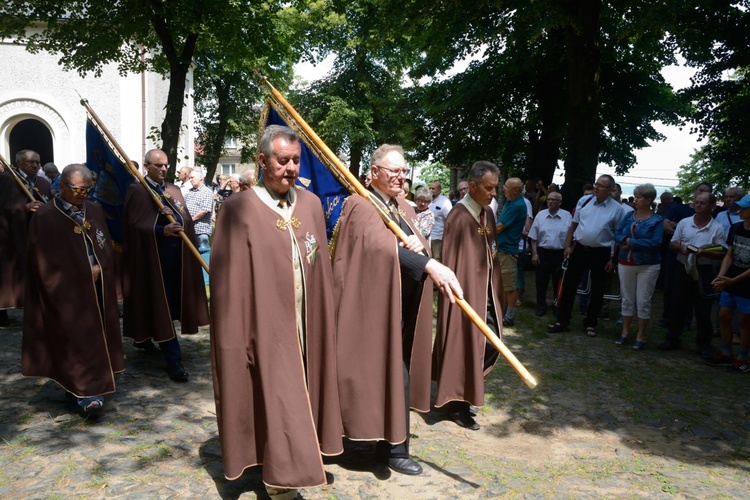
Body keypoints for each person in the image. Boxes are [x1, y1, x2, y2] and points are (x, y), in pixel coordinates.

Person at [210, 125, 343, 497]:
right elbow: (227, 283)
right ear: (263, 161)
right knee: (276, 395)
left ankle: (299, 457)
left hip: (307, 325)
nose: (290, 168)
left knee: (300, 392)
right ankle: (283, 481)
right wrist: (236, 337)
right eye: (282, 161)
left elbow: (320, 267)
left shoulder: (312, 205)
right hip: (266, 328)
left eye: (296, 161)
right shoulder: (240, 209)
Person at [332, 143, 463, 476]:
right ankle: (382, 445)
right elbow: (375, 247)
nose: (401, 177)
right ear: (375, 172)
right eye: (394, 171)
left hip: (398, 303)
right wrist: (428, 264)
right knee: (374, 373)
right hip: (368, 306)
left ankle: (392, 445)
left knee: (398, 371)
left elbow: (409, 242)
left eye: (404, 171)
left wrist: (418, 247)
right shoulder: (360, 204)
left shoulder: (400, 207)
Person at [22, 164, 124, 415]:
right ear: (63, 186)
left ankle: (91, 386)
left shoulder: (94, 209)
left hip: (98, 289)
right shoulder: (45, 216)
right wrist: (77, 275)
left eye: (88, 189)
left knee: (95, 337)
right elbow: (41, 261)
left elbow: (104, 244)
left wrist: (101, 266)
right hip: (65, 294)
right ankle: (85, 392)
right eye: (79, 189)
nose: (84, 194)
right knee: (74, 339)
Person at [122, 149, 209, 382]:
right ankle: (173, 359)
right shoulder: (137, 190)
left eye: (166, 166)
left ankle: (144, 337)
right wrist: (160, 229)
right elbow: (132, 226)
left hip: (176, 259)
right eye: (158, 165)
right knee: (158, 303)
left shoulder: (173, 190)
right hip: (151, 260)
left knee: (169, 304)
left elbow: (185, 219)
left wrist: (178, 222)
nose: (163, 169)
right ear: (146, 165)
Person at [433, 161, 503, 431]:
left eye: (495, 188)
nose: (493, 193)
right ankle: (457, 403)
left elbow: (491, 253)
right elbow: (453, 262)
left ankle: (468, 389)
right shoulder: (459, 217)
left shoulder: (487, 213)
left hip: (485, 293)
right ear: (472, 186)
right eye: (488, 188)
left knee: (491, 342)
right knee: (465, 344)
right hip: (465, 294)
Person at [548, 175, 627, 337]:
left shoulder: (617, 209)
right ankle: (563, 320)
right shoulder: (584, 201)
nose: (596, 188)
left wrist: (613, 259)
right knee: (569, 284)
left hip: (601, 252)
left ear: (611, 189)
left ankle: (591, 322)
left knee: (598, 289)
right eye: (596, 184)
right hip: (580, 249)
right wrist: (568, 245)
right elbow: (573, 225)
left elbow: (618, 236)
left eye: (601, 186)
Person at [658, 192, 726, 360]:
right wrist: (682, 249)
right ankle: (672, 338)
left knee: (703, 309)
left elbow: (722, 251)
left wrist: (705, 252)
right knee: (677, 305)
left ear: (711, 206)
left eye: (702, 203)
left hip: (703, 270)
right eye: (696, 202)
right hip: (682, 267)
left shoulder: (716, 227)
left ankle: (704, 344)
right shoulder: (684, 223)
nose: (698, 205)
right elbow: (673, 243)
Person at [0, 149, 51, 327]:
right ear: (19, 162)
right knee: (9, 273)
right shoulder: (8, 179)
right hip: (13, 235)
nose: (35, 165)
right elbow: (4, 206)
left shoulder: (43, 182)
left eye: (37, 162)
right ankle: (3, 313)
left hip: (36, 234)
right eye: (30, 162)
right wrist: (24, 207)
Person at [614, 183, 663, 350]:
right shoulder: (629, 216)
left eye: (639, 197)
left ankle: (641, 334)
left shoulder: (657, 220)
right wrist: (624, 240)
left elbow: (655, 242)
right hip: (625, 261)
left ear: (649, 200)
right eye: (635, 196)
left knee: (643, 300)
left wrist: (630, 242)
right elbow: (617, 233)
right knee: (627, 298)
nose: (636, 199)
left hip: (647, 264)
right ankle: (625, 332)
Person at [711, 194, 750, 373]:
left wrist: (731, 280)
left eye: (744, 208)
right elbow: (729, 254)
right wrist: (721, 276)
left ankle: (743, 358)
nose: (740, 210)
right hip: (730, 280)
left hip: (746, 284)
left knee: (744, 321)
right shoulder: (736, 228)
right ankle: (726, 352)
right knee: (723, 316)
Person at [529, 190, 571, 317]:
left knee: (558, 282)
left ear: (560, 202)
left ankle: (557, 305)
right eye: (549, 199)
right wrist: (535, 253)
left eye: (554, 200)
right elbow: (534, 237)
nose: (551, 201)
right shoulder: (541, 215)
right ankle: (541, 306)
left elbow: (571, 236)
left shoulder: (567, 216)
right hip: (543, 253)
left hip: (560, 253)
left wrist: (568, 251)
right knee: (541, 281)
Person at [495, 177, 527, 327]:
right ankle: (500, 311)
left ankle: (509, 317)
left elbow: (499, 227)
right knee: (502, 283)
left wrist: (480, 231)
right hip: (502, 248)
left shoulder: (517, 205)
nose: (503, 188)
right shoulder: (510, 201)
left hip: (508, 250)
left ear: (516, 190)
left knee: (509, 286)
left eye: (507, 186)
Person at [184, 169, 214, 285]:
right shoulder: (190, 191)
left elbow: (205, 210)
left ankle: (206, 279)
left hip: (201, 229)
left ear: (201, 178)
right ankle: (195, 276)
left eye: (192, 178)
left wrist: (190, 220)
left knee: (204, 253)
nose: (190, 180)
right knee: (192, 254)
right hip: (190, 228)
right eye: (190, 178)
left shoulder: (206, 192)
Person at [428, 181, 452, 260]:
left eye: (433, 188)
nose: (431, 190)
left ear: (439, 190)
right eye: (430, 188)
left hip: (438, 237)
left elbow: (450, 220)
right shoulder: (427, 200)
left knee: (437, 259)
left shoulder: (445, 202)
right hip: (427, 237)